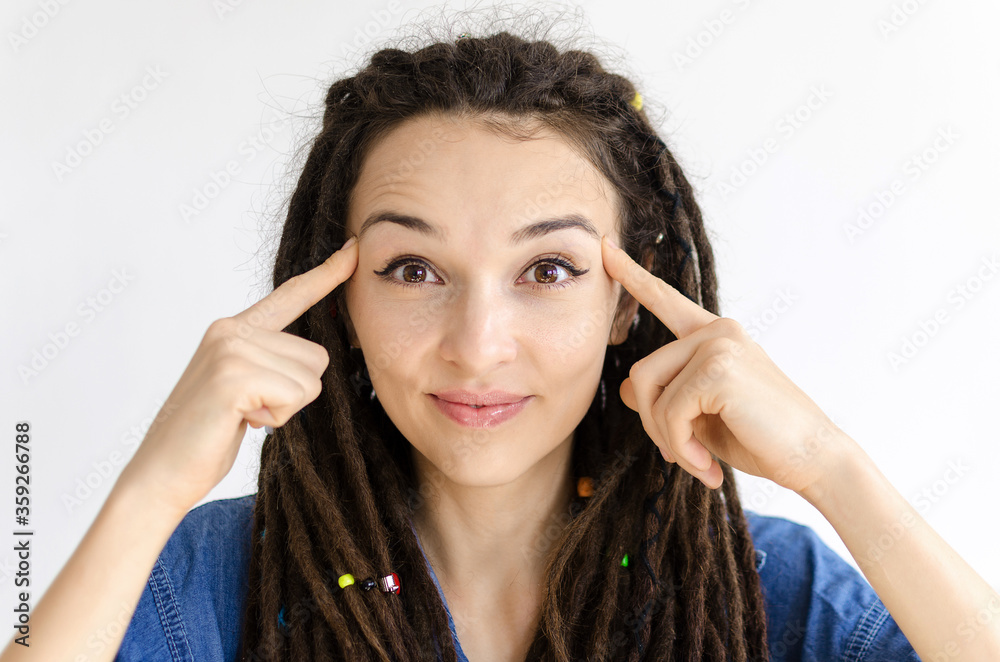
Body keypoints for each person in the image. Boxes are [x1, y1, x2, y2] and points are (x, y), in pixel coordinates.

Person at [4, 22, 999, 662]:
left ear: (625, 302)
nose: (476, 346)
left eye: (548, 270)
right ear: (336, 294)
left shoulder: (767, 585)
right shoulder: (212, 578)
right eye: (412, 269)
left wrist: (831, 465)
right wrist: (148, 490)